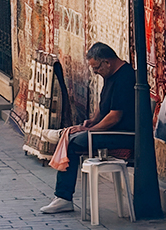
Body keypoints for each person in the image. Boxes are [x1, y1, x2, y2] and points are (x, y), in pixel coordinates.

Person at [39, 42, 137, 214]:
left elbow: (115, 117)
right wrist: (92, 121)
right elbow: (103, 107)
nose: (95, 72)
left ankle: (63, 197)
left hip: (123, 134)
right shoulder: (110, 76)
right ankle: (62, 196)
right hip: (110, 130)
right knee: (74, 137)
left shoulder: (125, 78)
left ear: (107, 62)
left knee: (74, 142)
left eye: (97, 67)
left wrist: (91, 131)